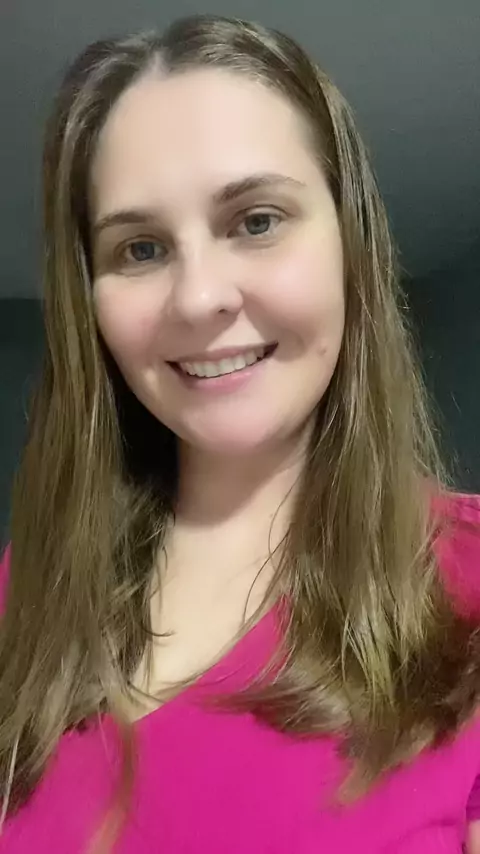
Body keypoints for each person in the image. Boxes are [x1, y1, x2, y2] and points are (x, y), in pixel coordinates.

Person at [0, 12, 479, 853]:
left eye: (256, 220)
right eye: (140, 249)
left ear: (351, 244)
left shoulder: (468, 588)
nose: (198, 299)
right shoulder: (23, 596)